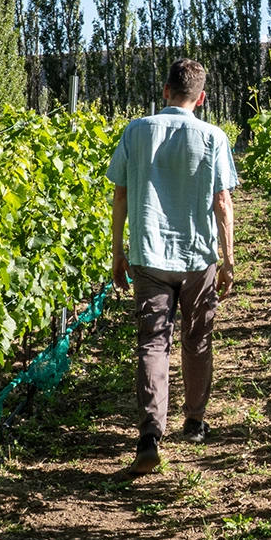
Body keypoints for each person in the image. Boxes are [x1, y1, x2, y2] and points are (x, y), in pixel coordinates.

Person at [107, 58, 238, 475]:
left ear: (165, 91)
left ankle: (150, 434)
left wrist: (117, 251)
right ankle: (195, 422)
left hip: (149, 255)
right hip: (198, 257)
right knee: (197, 339)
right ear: (201, 98)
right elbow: (222, 203)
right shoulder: (214, 136)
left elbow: (121, 195)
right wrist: (228, 260)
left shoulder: (136, 131)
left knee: (152, 343)